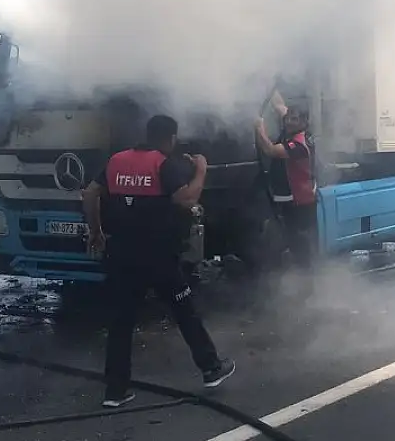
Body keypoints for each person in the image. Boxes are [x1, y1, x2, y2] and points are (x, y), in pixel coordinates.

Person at [82, 114, 235, 408]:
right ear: (171, 138)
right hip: (158, 257)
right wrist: (201, 170)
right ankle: (211, 368)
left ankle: (115, 391)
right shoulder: (162, 164)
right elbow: (187, 199)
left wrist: (95, 230)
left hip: (122, 255)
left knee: (121, 322)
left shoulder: (117, 161)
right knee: (185, 311)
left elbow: (90, 193)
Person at [254, 95, 317, 274]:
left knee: (299, 245)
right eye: (288, 118)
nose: (288, 121)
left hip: (299, 203)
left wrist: (259, 127)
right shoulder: (295, 128)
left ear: (304, 121)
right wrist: (271, 88)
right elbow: (280, 106)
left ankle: (305, 280)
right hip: (292, 201)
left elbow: (270, 150)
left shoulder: (300, 145)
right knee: (289, 239)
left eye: (294, 119)